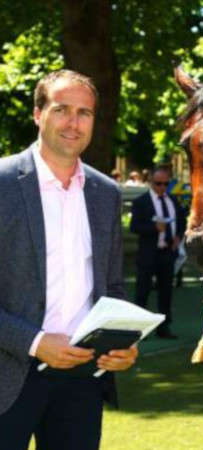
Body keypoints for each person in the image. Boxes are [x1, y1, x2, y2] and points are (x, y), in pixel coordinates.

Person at [0, 70, 138, 450]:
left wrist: (122, 341)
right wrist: (35, 342)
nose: (73, 123)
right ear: (38, 114)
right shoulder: (2, 184)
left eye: (84, 113)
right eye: (61, 110)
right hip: (8, 371)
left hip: (82, 377)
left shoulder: (105, 193)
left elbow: (112, 287)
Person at [131, 166, 186, 339]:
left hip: (167, 252)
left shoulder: (173, 201)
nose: (162, 187)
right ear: (150, 182)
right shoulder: (141, 202)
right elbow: (134, 227)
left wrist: (178, 236)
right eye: (158, 183)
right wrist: (154, 228)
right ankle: (139, 329)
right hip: (148, 253)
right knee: (142, 291)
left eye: (165, 184)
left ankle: (164, 327)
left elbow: (182, 221)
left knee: (166, 292)